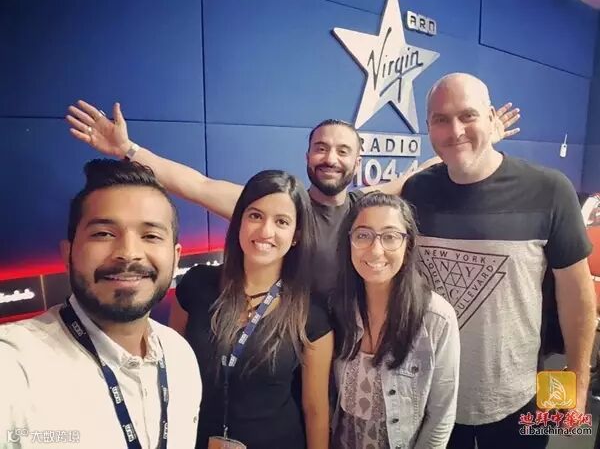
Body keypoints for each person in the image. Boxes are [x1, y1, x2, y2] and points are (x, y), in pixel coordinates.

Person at [65, 101, 519, 300]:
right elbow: (196, 185)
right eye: (321, 148)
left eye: (342, 151)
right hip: (286, 349)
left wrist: (483, 140)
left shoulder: (365, 207)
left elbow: (420, 173)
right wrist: (129, 150)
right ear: (307, 156)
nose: (330, 158)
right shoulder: (277, 210)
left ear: (357, 162)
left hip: (349, 351)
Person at [401, 72, 597, 449]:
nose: (455, 130)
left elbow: (576, 297)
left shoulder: (549, 190)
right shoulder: (416, 192)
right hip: (432, 400)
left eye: (468, 115)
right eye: (441, 119)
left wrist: (575, 386)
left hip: (522, 397)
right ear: (428, 126)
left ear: (492, 118)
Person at [0, 160, 201, 449]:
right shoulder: (15, 366)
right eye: (103, 234)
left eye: (151, 236)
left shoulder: (180, 356)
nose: (129, 253)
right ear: (68, 253)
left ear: (176, 256)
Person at [169, 170, 332, 449]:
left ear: (296, 235)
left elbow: (315, 411)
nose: (266, 231)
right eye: (256, 216)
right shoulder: (196, 285)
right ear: (240, 221)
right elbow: (173, 371)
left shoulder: (311, 314)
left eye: (281, 222)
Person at [331, 192, 460, 448]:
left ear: (408, 245)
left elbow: (441, 416)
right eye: (363, 235)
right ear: (349, 242)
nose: (376, 250)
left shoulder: (437, 318)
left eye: (390, 237)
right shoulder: (337, 308)